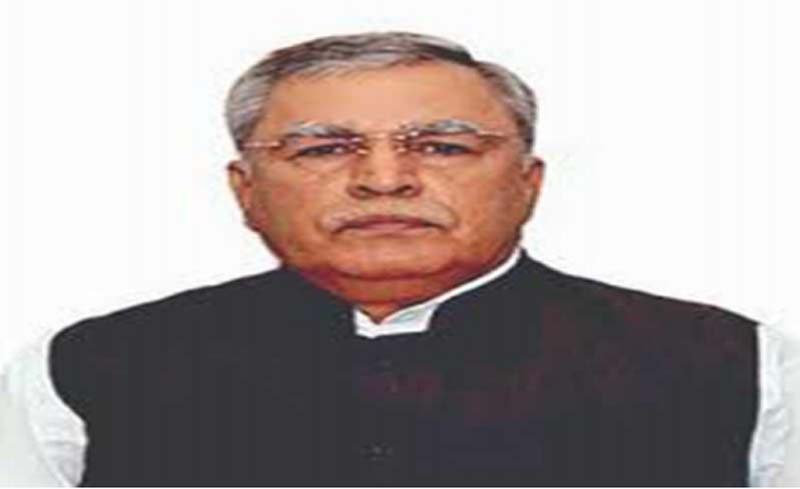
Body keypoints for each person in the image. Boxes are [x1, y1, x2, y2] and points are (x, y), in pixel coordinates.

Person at [0, 31, 790, 486]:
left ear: (529, 181)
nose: (384, 179)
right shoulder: (91, 366)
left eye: (443, 145)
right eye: (323, 148)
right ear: (246, 191)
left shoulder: (735, 363)